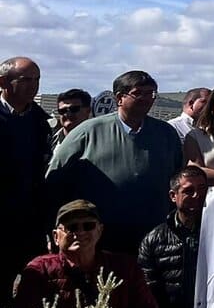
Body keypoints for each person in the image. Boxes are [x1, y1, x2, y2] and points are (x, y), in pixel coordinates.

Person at [47, 70, 186, 254]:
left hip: (152, 237)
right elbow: (54, 181)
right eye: (138, 93)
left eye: (151, 93)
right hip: (98, 238)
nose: (146, 99)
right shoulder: (88, 132)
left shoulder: (166, 134)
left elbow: (177, 179)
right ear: (120, 98)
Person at [10, 199, 160, 308]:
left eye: (88, 226)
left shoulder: (126, 268)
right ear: (56, 237)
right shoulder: (40, 269)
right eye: (71, 227)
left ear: (100, 230)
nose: (80, 232)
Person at [137, 166, 208, 308]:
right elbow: (148, 290)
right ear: (173, 196)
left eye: (202, 189)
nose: (197, 195)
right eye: (189, 191)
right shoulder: (154, 240)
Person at [0, 56, 51, 294]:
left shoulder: (40, 121)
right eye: (26, 80)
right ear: (3, 82)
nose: (34, 86)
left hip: (29, 222)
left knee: (35, 289)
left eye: (37, 79)